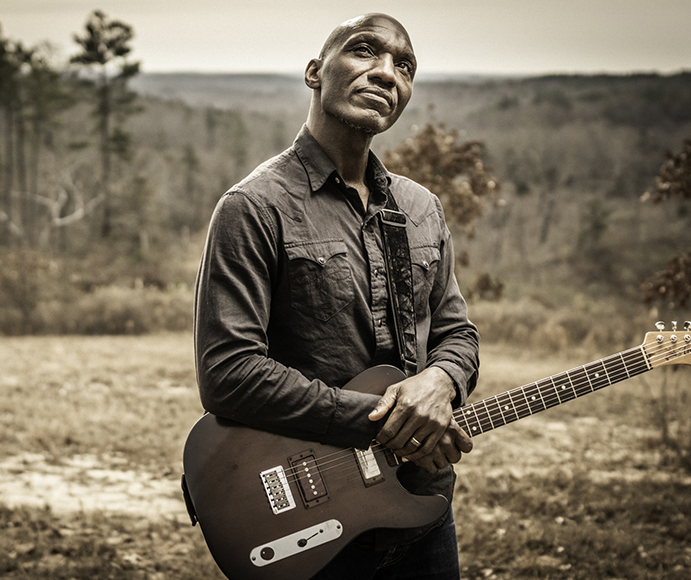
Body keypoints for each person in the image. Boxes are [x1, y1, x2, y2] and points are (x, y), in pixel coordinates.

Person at [193, 13, 479, 579]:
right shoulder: (254, 206)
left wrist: (439, 381)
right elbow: (229, 372)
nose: (386, 73)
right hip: (311, 512)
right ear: (315, 72)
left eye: (404, 66)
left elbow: (456, 334)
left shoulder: (421, 209)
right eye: (365, 51)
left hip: (422, 505)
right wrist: (385, 419)